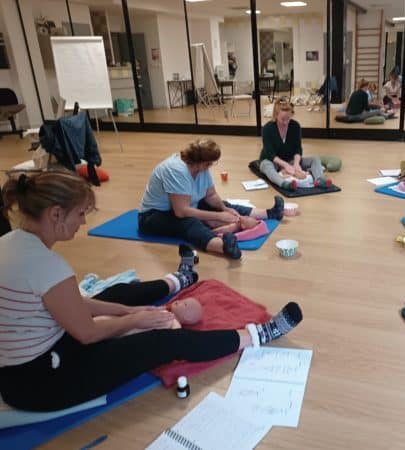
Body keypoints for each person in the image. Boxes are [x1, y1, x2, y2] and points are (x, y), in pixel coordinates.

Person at [0, 171, 303, 412]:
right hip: (43, 382)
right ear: (55, 214)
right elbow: (88, 334)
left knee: (117, 294)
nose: (82, 222)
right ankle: (256, 335)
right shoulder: (47, 266)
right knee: (164, 342)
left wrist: (128, 311)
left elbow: (72, 302)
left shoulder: (11, 242)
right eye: (79, 214)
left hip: (32, 365)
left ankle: (178, 280)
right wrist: (138, 321)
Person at [138, 139, 284, 260]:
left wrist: (224, 209)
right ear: (200, 160)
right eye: (209, 163)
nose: (210, 166)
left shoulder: (201, 167)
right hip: (152, 216)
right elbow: (181, 212)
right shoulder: (176, 170)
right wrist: (218, 216)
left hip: (183, 206)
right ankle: (223, 247)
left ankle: (270, 213)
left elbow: (211, 195)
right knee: (189, 223)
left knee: (222, 205)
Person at [259, 97, 332, 191]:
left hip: (291, 160)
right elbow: (270, 154)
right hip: (273, 161)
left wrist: (296, 164)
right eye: (282, 119)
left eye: (288, 119)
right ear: (275, 115)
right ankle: (284, 184)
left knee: (315, 159)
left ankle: (319, 180)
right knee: (266, 166)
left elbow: (298, 148)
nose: (285, 122)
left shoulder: (295, 126)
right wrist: (286, 166)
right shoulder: (267, 129)